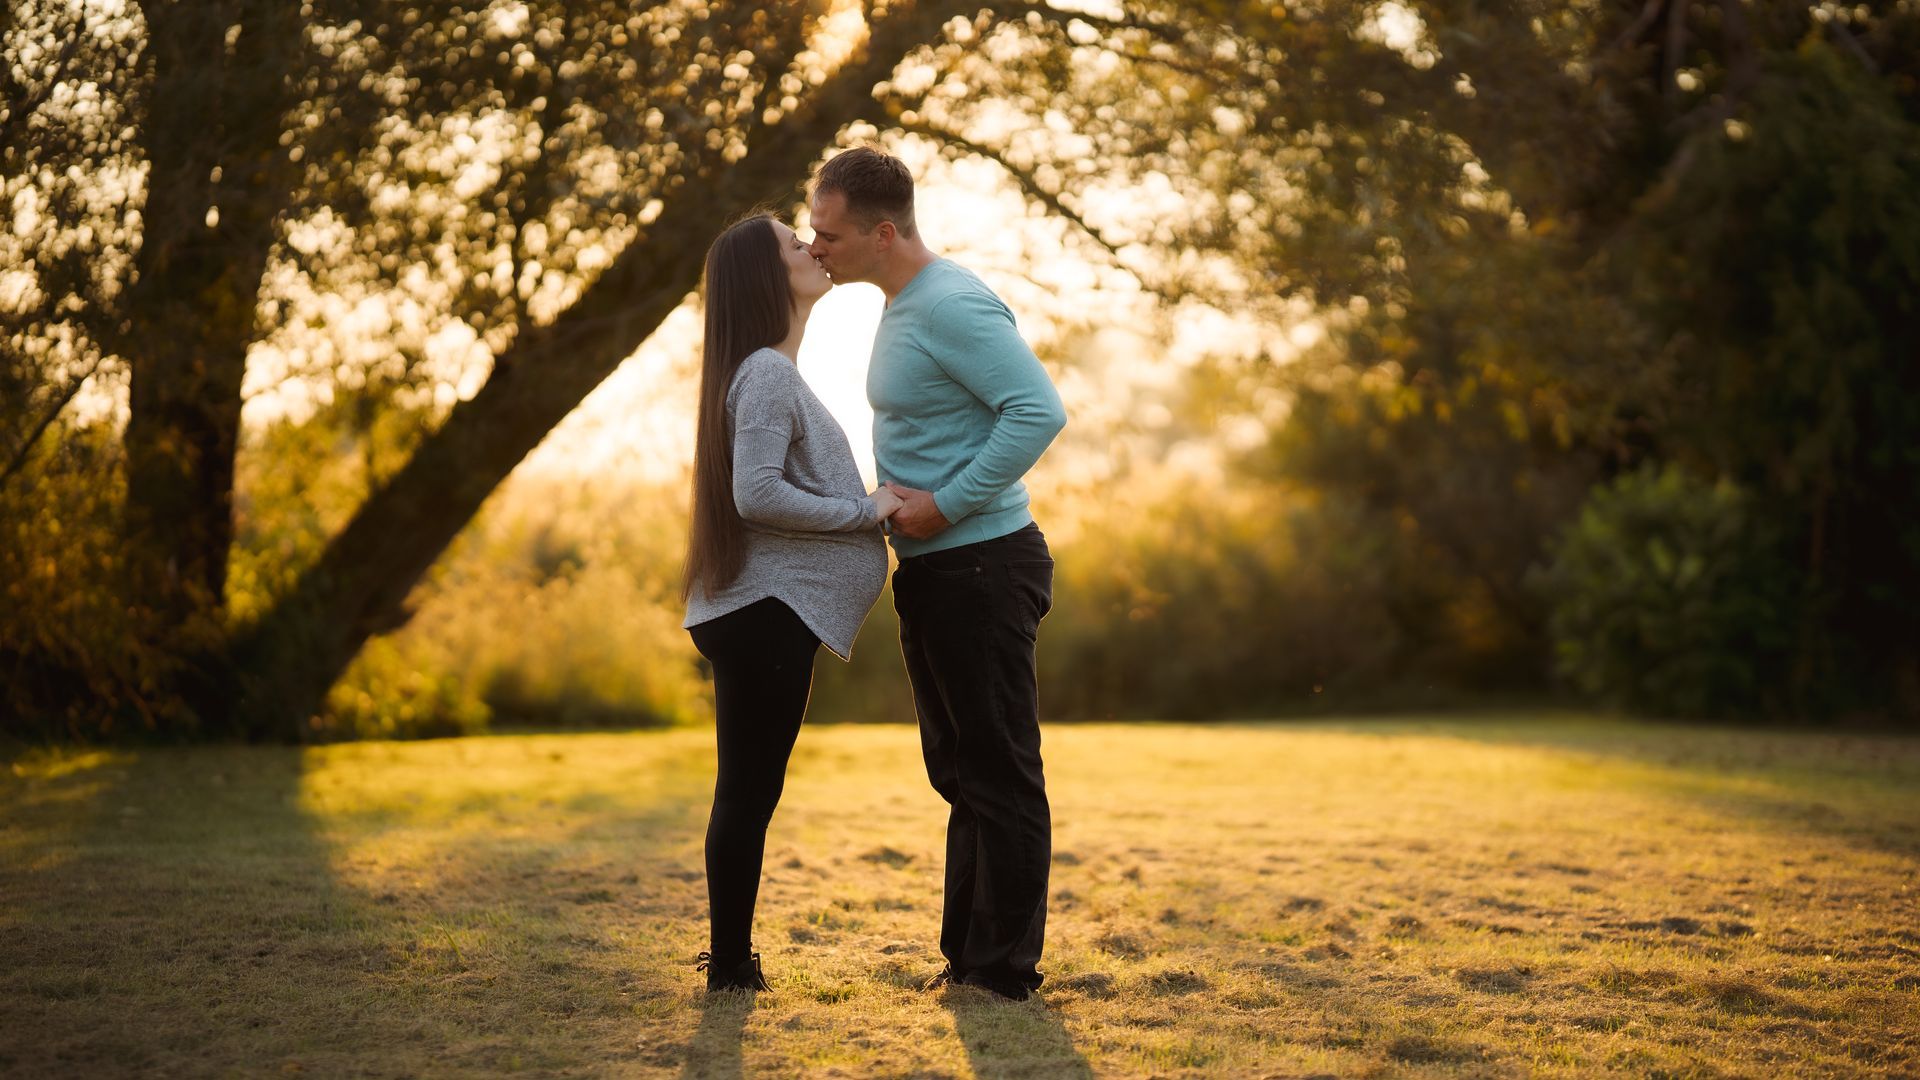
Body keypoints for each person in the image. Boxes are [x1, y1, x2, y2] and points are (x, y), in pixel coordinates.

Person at [806, 147, 1069, 1002]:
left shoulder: (950, 302)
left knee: (998, 769)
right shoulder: (904, 301)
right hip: (939, 567)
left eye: (829, 235)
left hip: (981, 562)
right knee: (960, 771)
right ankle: (970, 961)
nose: (817, 249)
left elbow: (1038, 409)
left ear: (884, 232)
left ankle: (1004, 974)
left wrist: (948, 504)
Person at [681, 213, 902, 993]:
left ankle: (731, 959)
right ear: (764, 277)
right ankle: (733, 966)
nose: (812, 247)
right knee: (748, 791)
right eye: (792, 243)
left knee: (747, 789)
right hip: (767, 611)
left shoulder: (765, 371)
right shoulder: (768, 374)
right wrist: (864, 510)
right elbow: (756, 493)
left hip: (764, 612)